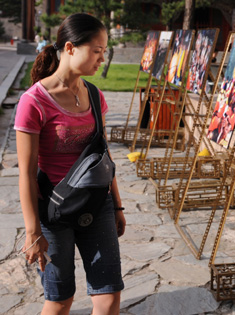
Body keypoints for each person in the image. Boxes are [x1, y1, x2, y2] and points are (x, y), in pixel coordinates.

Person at [14, 13, 125, 314]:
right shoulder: (33, 101)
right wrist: (32, 230)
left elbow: (104, 155)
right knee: (61, 300)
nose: (102, 58)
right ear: (71, 48)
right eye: (97, 50)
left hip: (96, 204)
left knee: (108, 296)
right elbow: (25, 172)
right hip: (54, 211)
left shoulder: (93, 94)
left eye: (104, 52)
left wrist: (116, 204)